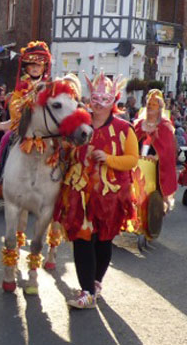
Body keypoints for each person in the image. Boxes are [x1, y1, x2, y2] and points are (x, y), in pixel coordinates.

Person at [52, 72, 139, 310]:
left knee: (103, 241)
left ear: (113, 103)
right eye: (95, 100)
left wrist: (109, 159)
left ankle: (96, 282)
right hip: (78, 192)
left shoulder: (124, 128)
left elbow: (132, 159)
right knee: (82, 239)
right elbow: (65, 147)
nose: (98, 106)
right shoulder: (79, 122)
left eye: (104, 101)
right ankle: (87, 291)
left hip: (109, 194)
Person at [0, 41, 52, 182]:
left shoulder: (50, 87)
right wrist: (26, 105)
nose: (35, 68)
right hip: (26, 127)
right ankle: (0, 171)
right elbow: (14, 107)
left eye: (38, 65)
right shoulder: (20, 88)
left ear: (44, 67)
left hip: (46, 128)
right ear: (26, 68)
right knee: (6, 138)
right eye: (31, 65)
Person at [133, 89, 178, 211]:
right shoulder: (138, 124)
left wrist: (157, 157)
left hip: (155, 165)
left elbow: (168, 148)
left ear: (159, 108)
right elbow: (131, 141)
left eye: (154, 105)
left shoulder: (165, 126)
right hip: (138, 162)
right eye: (148, 104)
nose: (150, 107)